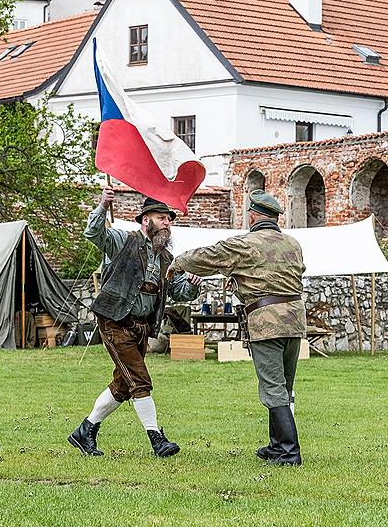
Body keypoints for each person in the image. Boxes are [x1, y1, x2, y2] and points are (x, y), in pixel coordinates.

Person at [167, 189, 306, 466]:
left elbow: (210, 256)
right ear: (275, 218)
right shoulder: (292, 244)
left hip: (267, 323)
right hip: (294, 320)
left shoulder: (246, 244)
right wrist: (244, 283)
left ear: (253, 215)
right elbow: (286, 277)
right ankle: (276, 445)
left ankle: (290, 452)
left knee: (272, 387)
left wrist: (178, 261)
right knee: (284, 386)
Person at [68, 187, 201, 458]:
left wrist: (192, 285)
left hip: (141, 326)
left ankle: (85, 431)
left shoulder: (166, 258)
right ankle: (157, 440)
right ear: (145, 220)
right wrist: (103, 206)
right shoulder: (123, 240)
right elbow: (94, 233)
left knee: (123, 384)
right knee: (140, 380)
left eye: (169, 219)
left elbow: (178, 292)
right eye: (161, 217)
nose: (167, 222)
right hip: (114, 319)